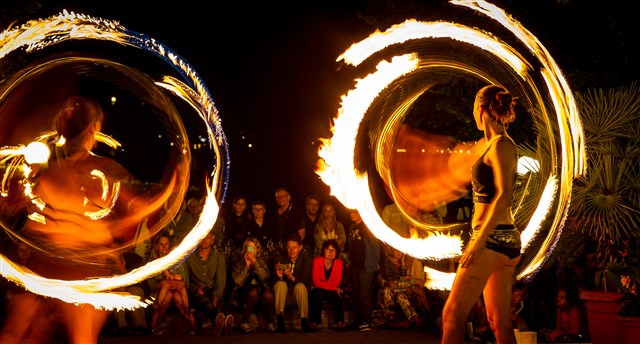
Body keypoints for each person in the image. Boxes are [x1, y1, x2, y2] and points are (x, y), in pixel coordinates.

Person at [0, 96, 176, 344]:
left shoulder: (43, 171)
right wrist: (170, 188)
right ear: (94, 128)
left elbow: (13, 208)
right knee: (65, 336)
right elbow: (139, 211)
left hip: (50, 265)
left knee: (20, 334)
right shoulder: (102, 170)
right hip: (72, 267)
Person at [441, 85, 520, 344]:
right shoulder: (487, 146)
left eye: (474, 107)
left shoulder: (502, 146)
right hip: (497, 242)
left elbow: (504, 196)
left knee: (452, 314)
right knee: (498, 323)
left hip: (492, 241)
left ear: (482, 109)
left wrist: (478, 242)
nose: (473, 112)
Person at [185, 230, 234, 336]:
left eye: (208, 237)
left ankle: (220, 327)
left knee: (219, 302)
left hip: (212, 290)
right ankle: (223, 325)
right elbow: (186, 280)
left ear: (212, 240)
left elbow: (220, 281)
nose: (204, 240)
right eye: (202, 237)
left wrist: (216, 296)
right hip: (197, 291)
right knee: (204, 301)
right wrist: (196, 288)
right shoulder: (190, 257)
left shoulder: (219, 258)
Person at [147, 233, 196, 335]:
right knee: (168, 294)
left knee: (178, 297)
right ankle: (153, 327)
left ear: (169, 245)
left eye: (166, 244)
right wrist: (167, 280)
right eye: (161, 244)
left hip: (177, 288)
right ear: (156, 246)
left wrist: (174, 281)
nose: (164, 246)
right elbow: (152, 281)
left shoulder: (175, 259)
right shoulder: (154, 261)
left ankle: (194, 327)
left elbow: (184, 278)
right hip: (160, 290)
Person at [231, 236, 276, 333]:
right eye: (248, 247)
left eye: (253, 248)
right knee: (253, 292)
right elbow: (237, 281)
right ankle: (244, 321)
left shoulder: (261, 262)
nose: (250, 250)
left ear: (257, 250)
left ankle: (271, 322)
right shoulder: (240, 263)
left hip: (261, 290)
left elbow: (265, 276)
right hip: (245, 293)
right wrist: (247, 266)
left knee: (268, 295)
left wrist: (254, 262)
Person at [377, 245, 427, 329]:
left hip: (400, 290)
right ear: (391, 250)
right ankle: (390, 315)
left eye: (400, 251)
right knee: (387, 289)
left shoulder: (402, 263)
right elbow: (389, 278)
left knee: (401, 296)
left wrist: (403, 262)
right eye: (396, 251)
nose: (398, 253)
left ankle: (414, 318)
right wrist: (403, 279)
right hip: (391, 288)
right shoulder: (388, 261)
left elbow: (403, 274)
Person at [272, 233, 314, 333]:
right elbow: (271, 282)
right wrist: (279, 276)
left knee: (300, 286)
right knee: (280, 284)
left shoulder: (306, 260)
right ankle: (280, 320)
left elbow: (306, 282)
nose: (291, 251)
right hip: (284, 296)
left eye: (294, 247)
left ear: (300, 247)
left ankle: (304, 320)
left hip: (298, 296)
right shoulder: (280, 258)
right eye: (289, 247)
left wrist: (292, 277)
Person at [347, 209, 381, 331]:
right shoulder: (352, 226)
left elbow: (375, 245)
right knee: (356, 294)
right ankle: (359, 320)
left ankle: (366, 321)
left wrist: (376, 262)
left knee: (364, 294)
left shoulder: (367, 226)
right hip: (355, 265)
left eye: (355, 212)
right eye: (351, 212)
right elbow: (350, 244)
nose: (352, 214)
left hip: (366, 266)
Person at [309, 239, 345, 330]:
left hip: (330, 290)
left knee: (338, 296)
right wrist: (333, 287)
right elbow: (316, 283)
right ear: (323, 250)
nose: (331, 252)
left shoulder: (338, 262)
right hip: (319, 289)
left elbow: (337, 282)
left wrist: (331, 287)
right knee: (316, 294)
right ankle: (314, 321)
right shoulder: (317, 261)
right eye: (328, 249)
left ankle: (340, 322)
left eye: (333, 250)